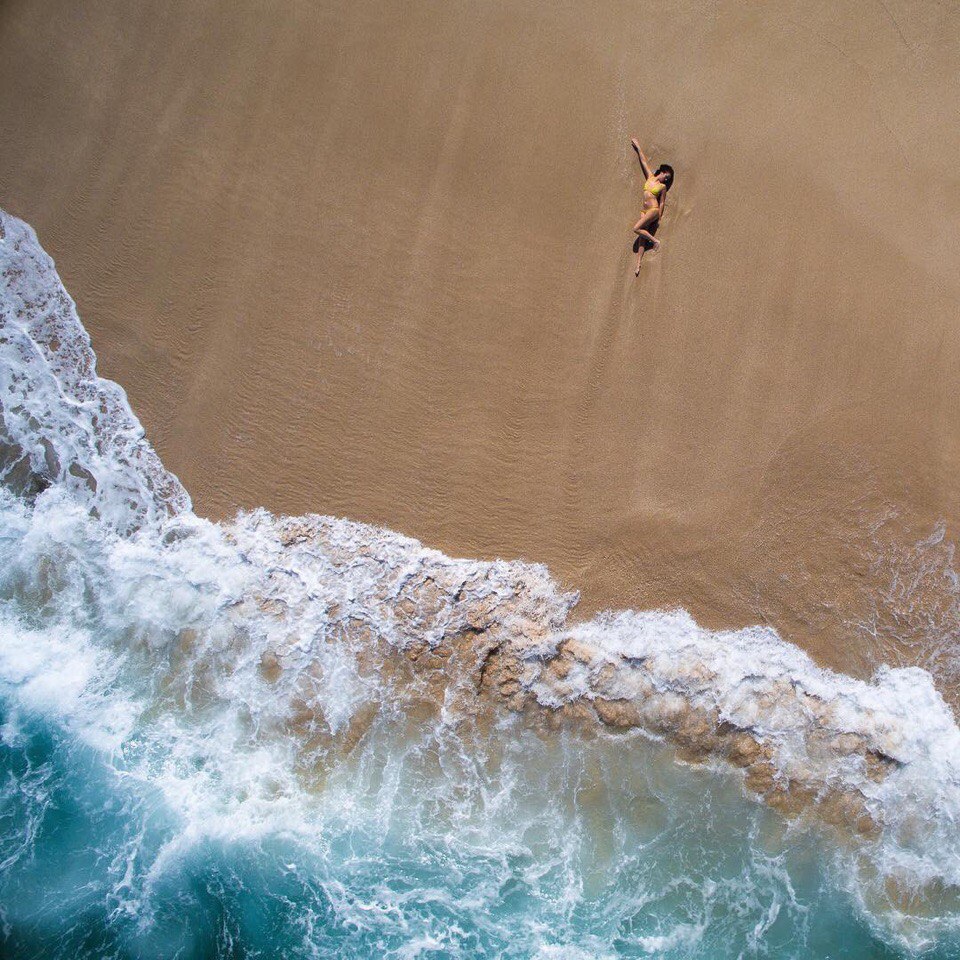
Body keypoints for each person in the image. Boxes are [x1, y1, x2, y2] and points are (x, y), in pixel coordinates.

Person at [630, 138, 674, 275]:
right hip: (644, 211)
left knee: (636, 228)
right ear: (662, 172)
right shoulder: (650, 177)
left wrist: (659, 216)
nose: (666, 179)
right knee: (642, 238)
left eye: (668, 179)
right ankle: (638, 263)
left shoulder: (663, 187)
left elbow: (662, 202)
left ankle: (655, 241)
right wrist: (638, 147)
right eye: (666, 176)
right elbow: (643, 162)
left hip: (653, 210)